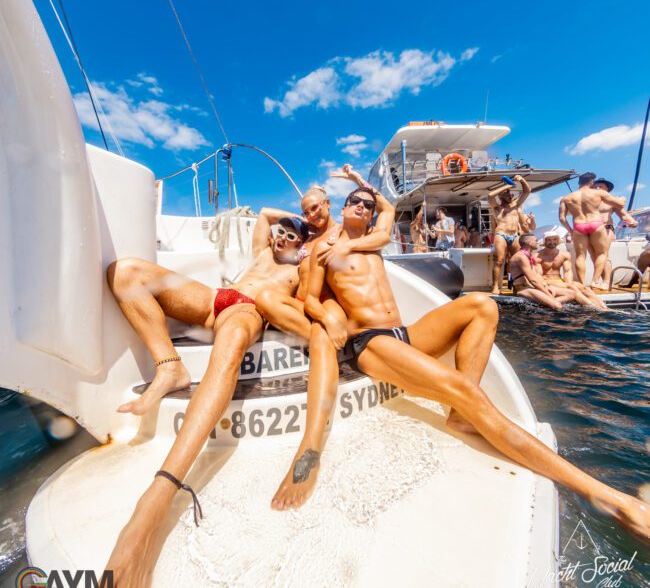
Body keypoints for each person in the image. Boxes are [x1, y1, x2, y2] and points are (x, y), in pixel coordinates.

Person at [297, 195, 650, 540]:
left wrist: (364, 186)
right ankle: (606, 496)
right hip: (369, 341)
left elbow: (387, 211)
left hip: (403, 333)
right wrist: (329, 318)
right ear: (341, 208)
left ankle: (463, 414)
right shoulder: (325, 249)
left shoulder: (373, 242)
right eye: (354, 202)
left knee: (482, 305)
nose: (363, 206)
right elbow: (309, 297)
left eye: (368, 204)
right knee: (468, 391)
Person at [105, 209, 310, 585]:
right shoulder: (263, 253)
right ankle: (170, 366)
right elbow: (264, 214)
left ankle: (155, 502)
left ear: (302, 247)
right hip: (217, 297)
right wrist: (293, 220)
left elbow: (311, 301)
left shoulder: (299, 271)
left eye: (291, 237)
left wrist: (311, 240)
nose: (281, 238)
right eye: (281, 234)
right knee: (125, 272)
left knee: (228, 351)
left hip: (249, 311)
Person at [261, 172, 395, 510]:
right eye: (306, 211)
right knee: (265, 297)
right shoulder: (304, 236)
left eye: (317, 208)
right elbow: (264, 215)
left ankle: (310, 449)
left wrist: (358, 182)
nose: (312, 215)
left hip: (328, 305)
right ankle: (332, 338)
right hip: (307, 307)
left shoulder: (344, 234)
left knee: (325, 323)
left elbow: (383, 214)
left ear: (330, 204)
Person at [559, 172, 628, 290]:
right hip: (595, 224)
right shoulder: (598, 193)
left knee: (580, 256)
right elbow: (620, 204)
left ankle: (581, 284)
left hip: (579, 226)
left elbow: (562, 218)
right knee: (602, 254)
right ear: (591, 182)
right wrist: (623, 199)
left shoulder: (567, 198)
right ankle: (595, 281)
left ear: (579, 182)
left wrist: (570, 230)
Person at [537, 233, 608, 310]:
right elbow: (538, 275)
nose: (552, 242)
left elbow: (567, 272)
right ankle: (594, 307)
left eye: (554, 239)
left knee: (585, 288)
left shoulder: (564, 255)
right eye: (549, 240)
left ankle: (604, 307)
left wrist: (568, 283)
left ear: (558, 241)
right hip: (547, 281)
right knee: (572, 288)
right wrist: (568, 285)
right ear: (545, 241)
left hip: (560, 281)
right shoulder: (538, 256)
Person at [590, 178, 638, 287]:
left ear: (607, 189)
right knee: (595, 258)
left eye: (600, 186)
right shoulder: (588, 201)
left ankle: (606, 282)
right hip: (591, 230)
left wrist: (631, 221)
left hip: (606, 228)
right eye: (595, 186)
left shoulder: (613, 201)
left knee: (604, 256)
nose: (597, 188)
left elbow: (623, 214)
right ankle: (601, 282)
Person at [508, 234, 577, 309]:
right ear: (529, 243)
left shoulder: (528, 256)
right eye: (535, 240)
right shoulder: (522, 257)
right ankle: (549, 303)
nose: (537, 242)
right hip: (523, 289)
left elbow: (536, 275)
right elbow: (533, 280)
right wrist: (548, 294)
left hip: (531, 287)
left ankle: (545, 303)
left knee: (571, 294)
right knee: (557, 306)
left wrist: (546, 287)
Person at [488, 174, 531, 294]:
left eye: (511, 193)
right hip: (501, 234)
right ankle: (495, 286)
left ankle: (517, 285)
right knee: (499, 261)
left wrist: (522, 180)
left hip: (515, 235)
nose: (511, 194)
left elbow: (527, 191)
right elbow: (490, 195)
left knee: (517, 261)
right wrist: (506, 186)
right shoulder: (496, 207)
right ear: (501, 196)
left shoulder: (516, 205)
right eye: (507, 193)